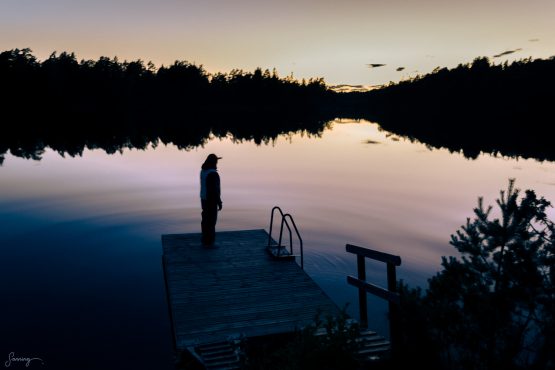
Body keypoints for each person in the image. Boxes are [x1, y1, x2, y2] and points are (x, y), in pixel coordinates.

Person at [200, 154, 223, 247]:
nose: (217, 162)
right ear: (213, 162)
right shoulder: (213, 174)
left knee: (205, 219)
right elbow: (215, 190)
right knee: (211, 221)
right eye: (216, 161)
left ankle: (205, 239)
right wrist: (219, 202)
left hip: (204, 199)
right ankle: (210, 242)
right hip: (211, 201)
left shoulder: (203, 171)